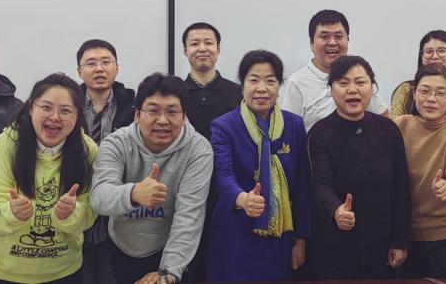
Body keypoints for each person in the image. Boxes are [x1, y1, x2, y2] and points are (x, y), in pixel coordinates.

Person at [89, 73, 213, 284]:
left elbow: (189, 215)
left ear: (184, 116)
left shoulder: (198, 150)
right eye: (153, 111)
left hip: (170, 246)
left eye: (172, 112)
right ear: (137, 114)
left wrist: (167, 271)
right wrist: (134, 193)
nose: (162, 120)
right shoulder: (116, 143)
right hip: (121, 244)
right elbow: (99, 197)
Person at [0, 73, 97, 284]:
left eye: (66, 110)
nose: (55, 117)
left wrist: (72, 213)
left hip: (63, 271)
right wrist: (11, 213)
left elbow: (90, 212)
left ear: (78, 115)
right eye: (46, 107)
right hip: (1, 271)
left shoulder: (87, 150)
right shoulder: (5, 144)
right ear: (32, 107)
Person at [207, 50, 311, 282]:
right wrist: (242, 199)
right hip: (235, 232)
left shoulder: (294, 125)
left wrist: (301, 240)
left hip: (281, 237)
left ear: (279, 86)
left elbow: (302, 186)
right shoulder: (224, 126)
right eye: (253, 80)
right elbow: (222, 175)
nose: (262, 88)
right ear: (242, 85)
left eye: (270, 81)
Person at [306, 56, 409, 279]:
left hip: (380, 244)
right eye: (343, 83)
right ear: (331, 89)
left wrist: (400, 242)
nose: (352, 90)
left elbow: (401, 188)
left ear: (372, 86)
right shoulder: (320, 133)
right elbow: (320, 184)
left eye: (360, 82)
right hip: (333, 244)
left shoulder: (388, 130)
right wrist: (336, 209)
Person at [395, 63, 446, 278]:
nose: (431, 99)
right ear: (414, 94)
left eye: (440, 93)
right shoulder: (400, 125)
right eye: (425, 91)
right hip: (403, 236)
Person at [180, 23, 240, 282]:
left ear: (218, 48)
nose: (202, 48)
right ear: (185, 51)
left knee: (223, 265)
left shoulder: (237, 93)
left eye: (208, 43)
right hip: (184, 192)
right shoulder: (174, 93)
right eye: (194, 44)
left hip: (227, 192)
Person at [75, 39, 135, 284]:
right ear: (79, 71)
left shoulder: (135, 106)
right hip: (75, 199)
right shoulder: (67, 105)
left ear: (116, 68)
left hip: (118, 205)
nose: (99, 68)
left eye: (106, 62)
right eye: (91, 63)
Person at [282, 10, 388, 131]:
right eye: (324, 37)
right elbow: (288, 132)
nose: (332, 42)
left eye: (339, 36)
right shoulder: (296, 83)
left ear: (348, 40)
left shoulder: (359, 74)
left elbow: (383, 116)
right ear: (311, 43)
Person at [389, 30, 446, 127]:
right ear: (422, 58)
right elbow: (392, 129)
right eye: (429, 52)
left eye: (442, 51)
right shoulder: (405, 90)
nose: (435, 56)